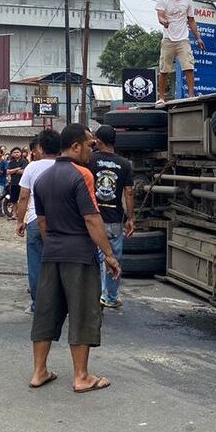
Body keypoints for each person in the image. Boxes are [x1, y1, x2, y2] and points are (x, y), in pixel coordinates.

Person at [29, 123, 121, 393]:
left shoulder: (43, 178)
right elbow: (92, 219)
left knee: (46, 312)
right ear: (76, 146)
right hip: (79, 255)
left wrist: (55, 244)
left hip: (52, 253)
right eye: (90, 146)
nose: (91, 152)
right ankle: (82, 376)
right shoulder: (82, 175)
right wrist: (109, 254)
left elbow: (42, 222)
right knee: (82, 313)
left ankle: (39, 371)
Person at [14, 129, 61, 313]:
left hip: (34, 220)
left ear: (40, 147)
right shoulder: (66, 166)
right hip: (60, 222)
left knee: (36, 264)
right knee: (59, 263)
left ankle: (37, 305)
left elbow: (23, 197)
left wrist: (20, 220)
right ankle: (59, 304)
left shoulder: (31, 168)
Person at [88, 125, 134, 308]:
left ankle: (95, 295)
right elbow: (129, 192)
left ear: (98, 140)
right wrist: (131, 218)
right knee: (113, 257)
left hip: (94, 217)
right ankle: (112, 297)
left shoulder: (90, 160)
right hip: (115, 218)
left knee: (95, 257)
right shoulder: (124, 163)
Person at [154, 0, 206, 106]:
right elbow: (160, 16)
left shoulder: (187, 1)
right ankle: (161, 97)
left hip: (183, 39)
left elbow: (191, 20)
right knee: (164, 69)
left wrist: (198, 38)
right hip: (168, 39)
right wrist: (164, 21)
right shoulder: (163, 1)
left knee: (188, 67)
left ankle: (191, 95)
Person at [5, 146, 27, 214]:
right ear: (12, 154)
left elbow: (24, 171)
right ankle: (14, 214)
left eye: (18, 152)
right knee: (14, 199)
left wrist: (13, 171)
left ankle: (21, 214)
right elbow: (8, 172)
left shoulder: (24, 161)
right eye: (14, 152)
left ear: (20, 153)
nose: (16, 154)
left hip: (22, 183)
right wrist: (17, 169)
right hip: (14, 183)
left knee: (22, 199)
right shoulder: (11, 162)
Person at [0, 147, 9, 216]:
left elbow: (6, 172)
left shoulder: (4, 162)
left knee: (0, 196)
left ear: (1, 154)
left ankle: (0, 211)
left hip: (2, 182)